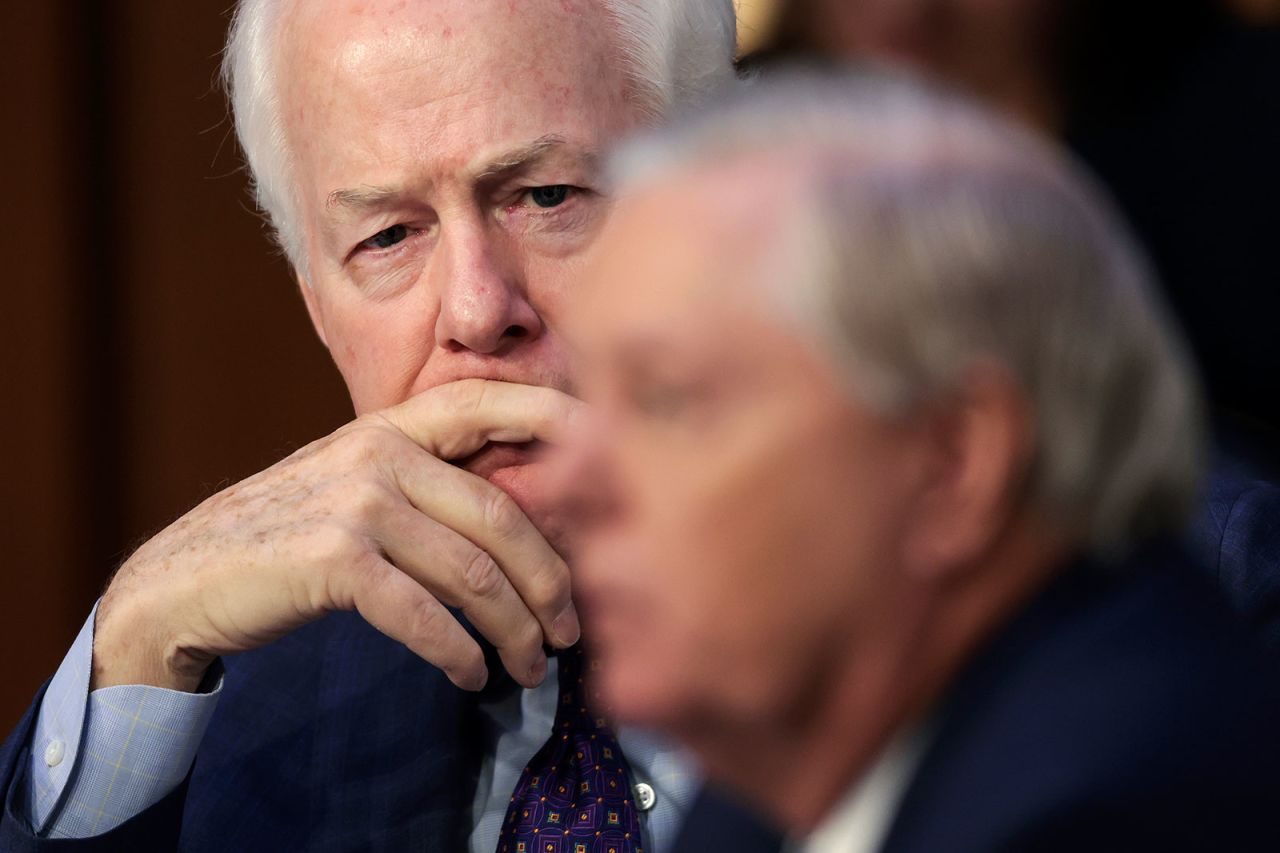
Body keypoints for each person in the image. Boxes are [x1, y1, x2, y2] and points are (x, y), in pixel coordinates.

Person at [0, 1, 739, 850]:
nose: (475, 309)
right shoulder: (235, 716)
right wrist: (133, 640)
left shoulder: (914, 640)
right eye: (388, 235)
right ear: (317, 307)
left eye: (547, 195)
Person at [554, 72, 1280, 852]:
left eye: (667, 401)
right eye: (588, 398)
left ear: (951, 461)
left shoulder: (1111, 816)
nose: (572, 484)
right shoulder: (788, 775)